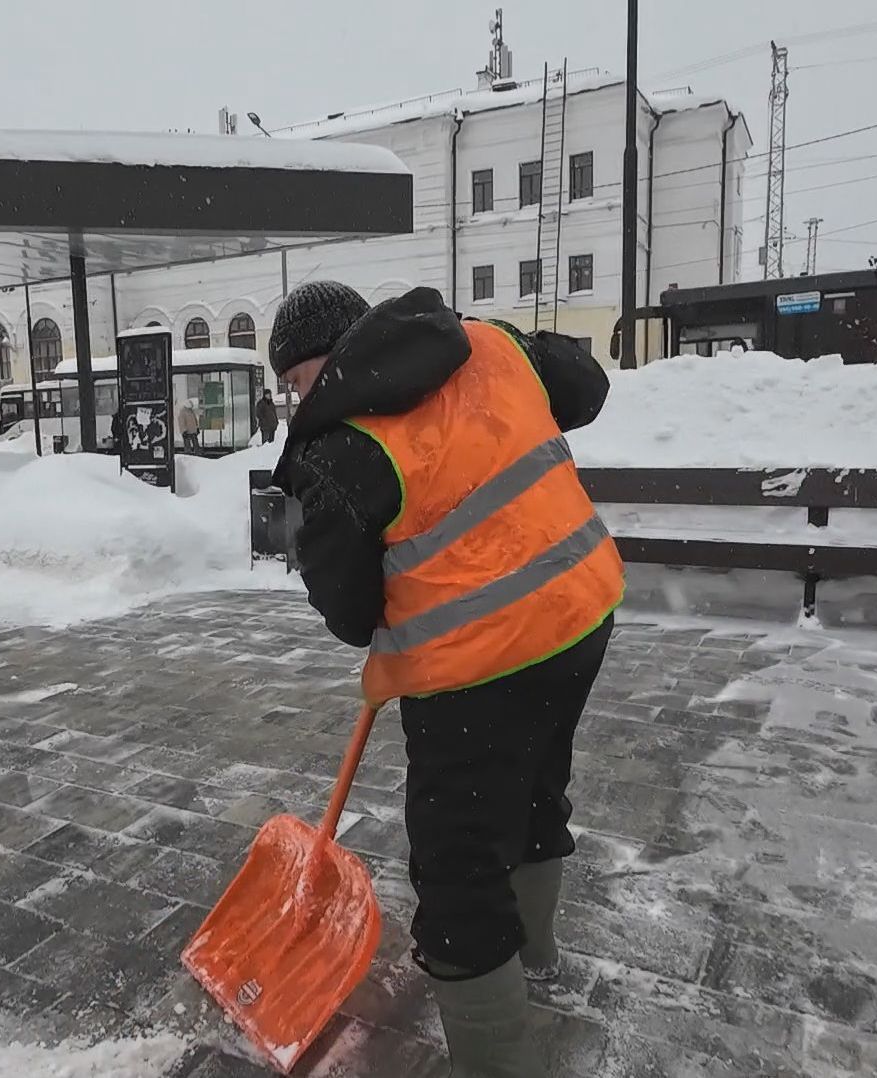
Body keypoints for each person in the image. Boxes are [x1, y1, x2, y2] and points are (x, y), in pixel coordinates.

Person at [268, 282, 622, 1078]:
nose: (295, 399)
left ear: (323, 358)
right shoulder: (482, 342)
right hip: (581, 612)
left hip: (476, 667)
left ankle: (498, 1060)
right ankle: (534, 958)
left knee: (457, 870)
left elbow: (349, 613)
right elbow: (586, 386)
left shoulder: (342, 449)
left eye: (294, 380)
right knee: (535, 789)